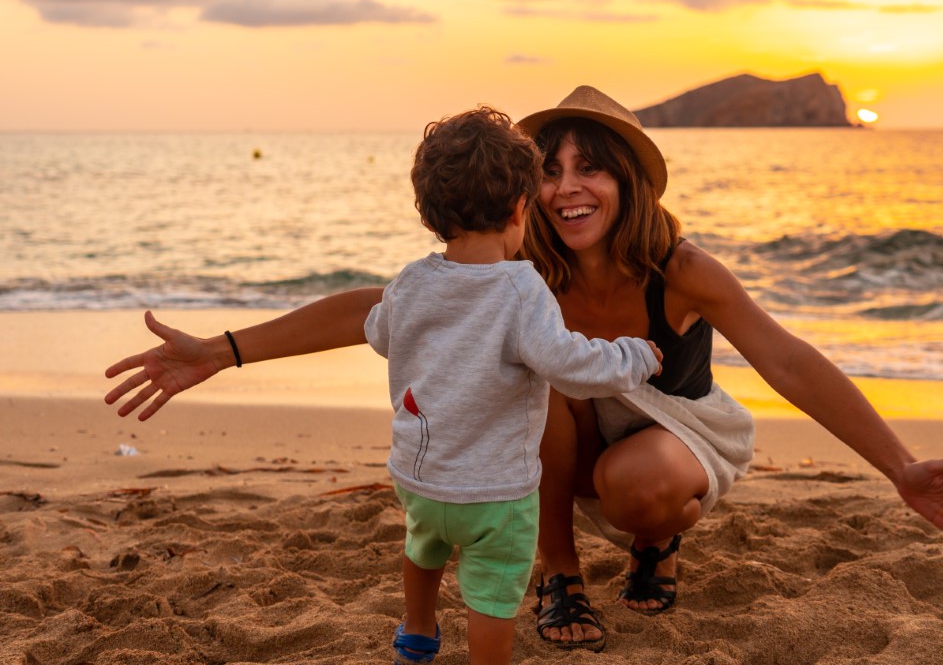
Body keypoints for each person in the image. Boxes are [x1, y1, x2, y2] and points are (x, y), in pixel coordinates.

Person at [105, 86, 943, 657]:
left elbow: (789, 359)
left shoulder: (678, 268)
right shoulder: (520, 272)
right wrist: (220, 352)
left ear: (629, 184)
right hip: (564, 425)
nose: (568, 187)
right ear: (522, 189)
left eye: (591, 170)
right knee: (537, 393)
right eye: (550, 171)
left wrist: (900, 468)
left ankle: (657, 542)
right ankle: (560, 571)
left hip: (675, 428)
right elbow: (372, 307)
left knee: (639, 490)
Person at [107, 106, 664, 665]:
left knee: (424, 549)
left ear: (429, 215)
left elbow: (377, 330)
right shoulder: (523, 290)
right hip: (493, 494)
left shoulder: (411, 283)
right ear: (522, 207)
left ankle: (418, 634)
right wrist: (635, 355)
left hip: (419, 482)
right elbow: (569, 364)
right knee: (494, 584)